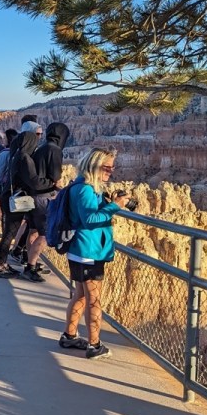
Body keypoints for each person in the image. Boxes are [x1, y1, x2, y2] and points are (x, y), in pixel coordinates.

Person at [60, 147, 129, 360]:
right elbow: (89, 219)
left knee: (80, 294)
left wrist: (108, 203)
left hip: (82, 250)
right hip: (88, 251)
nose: (110, 171)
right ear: (94, 165)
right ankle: (94, 344)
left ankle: (69, 336)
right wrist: (115, 207)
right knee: (94, 299)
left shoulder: (84, 187)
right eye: (107, 167)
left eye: (112, 167)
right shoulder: (86, 190)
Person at [0, 122, 53, 279]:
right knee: (10, 233)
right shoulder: (25, 158)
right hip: (15, 200)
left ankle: (3, 264)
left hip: (8, 196)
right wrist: (50, 184)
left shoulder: (16, 155)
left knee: (9, 232)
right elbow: (33, 180)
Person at [24, 122, 71, 279]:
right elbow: (55, 177)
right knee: (44, 234)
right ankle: (30, 267)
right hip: (45, 197)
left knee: (32, 230)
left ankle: (30, 261)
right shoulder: (55, 150)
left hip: (32, 195)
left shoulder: (41, 148)